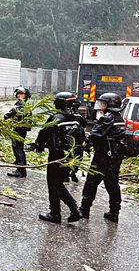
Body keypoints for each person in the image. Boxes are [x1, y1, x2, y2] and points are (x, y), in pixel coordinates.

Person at [33, 91, 85, 224]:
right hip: (71, 156)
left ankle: (58, 213)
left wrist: (38, 145)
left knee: (54, 184)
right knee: (58, 183)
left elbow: (44, 133)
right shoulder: (77, 119)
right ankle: (72, 210)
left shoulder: (56, 118)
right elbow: (82, 138)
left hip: (57, 156)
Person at [79, 93, 127, 222]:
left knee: (91, 182)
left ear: (110, 104)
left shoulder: (107, 118)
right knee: (112, 184)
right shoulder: (119, 118)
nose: (101, 105)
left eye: (104, 103)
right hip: (115, 156)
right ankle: (114, 212)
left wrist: (85, 143)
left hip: (103, 156)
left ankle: (84, 209)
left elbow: (96, 134)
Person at [4, 87, 31, 178]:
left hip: (19, 129)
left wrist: (6, 117)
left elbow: (11, 113)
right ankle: (20, 166)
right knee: (18, 147)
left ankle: (20, 169)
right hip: (21, 128)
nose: (19, 95)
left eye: (21, 94)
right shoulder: (26, 104)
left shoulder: (21, 104)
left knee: (18, 148)